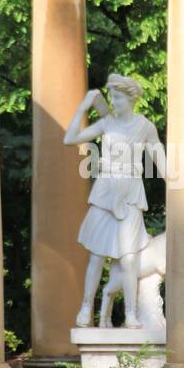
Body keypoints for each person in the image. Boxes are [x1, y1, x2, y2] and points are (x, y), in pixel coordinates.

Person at [63, 73, 164, 327]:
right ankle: (87, 308)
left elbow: (161, 162)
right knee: (97, 255)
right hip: (105, 190)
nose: (114, 102)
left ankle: (130, 313)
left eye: (118, 98)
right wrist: (83, 107)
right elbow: (70, 138)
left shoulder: (145, 126)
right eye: (112, 98)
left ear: (130, 98)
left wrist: (177, 184)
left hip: (130, 191)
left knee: (129, 257)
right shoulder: (106, 123)